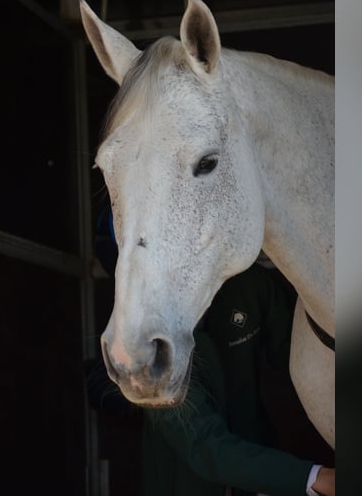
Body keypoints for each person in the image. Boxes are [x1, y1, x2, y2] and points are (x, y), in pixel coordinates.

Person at [92, 201, 336, 496]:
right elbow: (206, 447)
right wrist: (314, 477)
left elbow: (307, 369)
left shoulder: (251, 288)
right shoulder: (144, 348)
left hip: (264, 478)